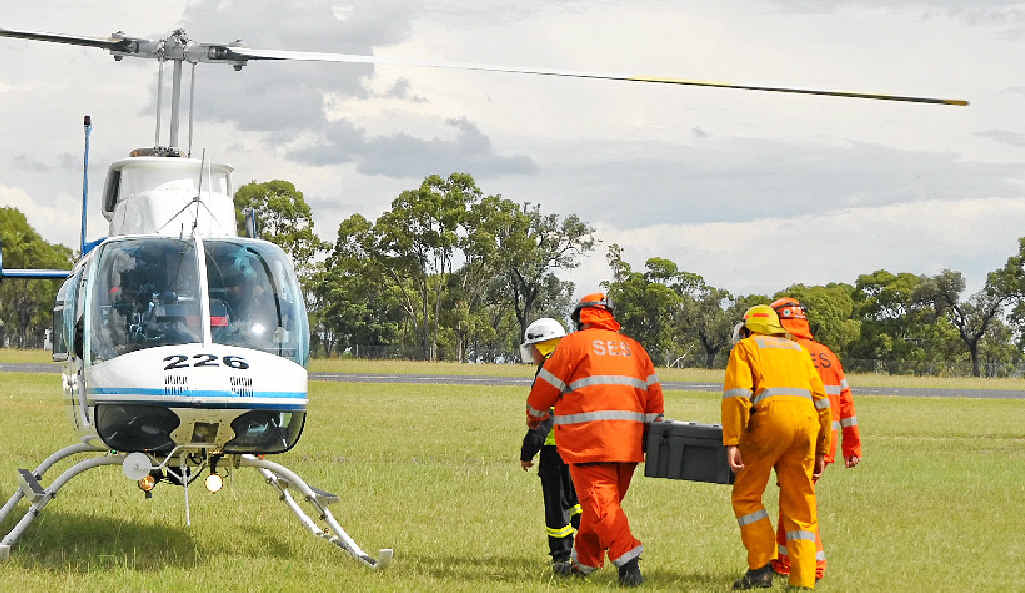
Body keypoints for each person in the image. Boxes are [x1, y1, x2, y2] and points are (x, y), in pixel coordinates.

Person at [525, 293, 664, 587]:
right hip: (629, 446)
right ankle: (585, 563)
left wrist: (534, 418)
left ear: (580, 318)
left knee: (602, 507)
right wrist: (652, 437)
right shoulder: (634, 349)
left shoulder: (573, 345)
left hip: (589, 443)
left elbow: (544, 389)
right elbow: (654, 399)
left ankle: (628, 561)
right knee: (598, 506)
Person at [722, 305, 831, 590]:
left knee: (747, 497)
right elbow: (823, 403)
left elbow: (737, 396)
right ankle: (803, 581)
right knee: (800, 506)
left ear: (749, 329)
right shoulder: (798, 350)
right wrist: (822, 449)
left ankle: (761, 568)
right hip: (805, 429)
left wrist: (732, 440)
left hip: (766, 426)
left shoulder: (746, 348)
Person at [768, 297, 863, 581]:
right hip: (824, 443)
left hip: (795, 441)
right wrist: (851, 446)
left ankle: (812, 565)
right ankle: (785, 561)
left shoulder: (784, 352)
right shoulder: (827, 355)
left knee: (799, 505)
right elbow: (846, 403)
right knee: (793, 500)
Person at [517, 317, 582, 576]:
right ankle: (594, 548)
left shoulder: (549, 371)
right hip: (580, 448)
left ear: (542, 346)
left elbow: (544, 417)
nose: (531, 354)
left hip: (555, 451)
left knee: (557, 508)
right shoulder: (575, 365)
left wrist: (527, 451)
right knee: (577, 503)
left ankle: (562, 559)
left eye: (532, 348)